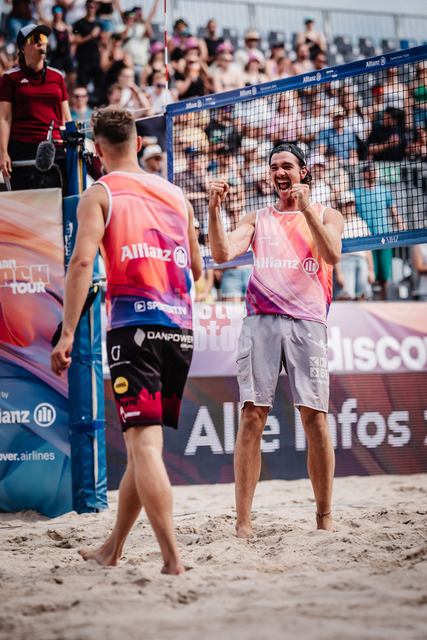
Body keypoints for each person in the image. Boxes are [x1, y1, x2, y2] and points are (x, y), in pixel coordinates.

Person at [51, 105, 203, 574]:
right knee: (144, 448)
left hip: (134, 330)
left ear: (97, 151)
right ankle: (112, 548)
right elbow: (198, 269)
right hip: (180, 330)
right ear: (138, 143)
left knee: (145, 447)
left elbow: (82, 263)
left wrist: (68, 332)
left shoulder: (99, 192)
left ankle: (172, 560)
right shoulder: (176, 194)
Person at [208, 142, 343, 537]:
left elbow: (332, 254)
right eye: (273, 167)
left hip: (307, 322)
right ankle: (243, 522)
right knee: (252, 416)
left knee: (314, 418)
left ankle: (324, 517)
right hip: (260, 322)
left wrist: (306, 210)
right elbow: (222, 253)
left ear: (303, 172)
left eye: (286, 166)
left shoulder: (327, 214)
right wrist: (214, 210)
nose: (279, 172)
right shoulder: (257, 217)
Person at [0, 23, 71, 190]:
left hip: (55, 146)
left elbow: (66, 117)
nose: (40, 42)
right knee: (27, 200)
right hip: (23, 146)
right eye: (34, 39)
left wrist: (70, 147)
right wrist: (3, 153)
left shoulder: (57, 76)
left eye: (43, 38)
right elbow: (4, 118)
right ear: (22, 48)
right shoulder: (10, 78)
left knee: (59, 198)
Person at [353, 163, 405, 300]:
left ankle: (384, 302)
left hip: (385, 237)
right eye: (369, 172)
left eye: (374, 172)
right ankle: (370, 302)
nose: (372, 174)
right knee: (369, 275)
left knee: (385, 275)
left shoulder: (384, 190)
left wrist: (400, 224)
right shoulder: (356, 192)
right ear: (364, 174)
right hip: (366, 239)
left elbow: (393, 209)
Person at [333, 191, 375, 301]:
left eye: (351, 204)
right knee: (345, 297)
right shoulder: (336, 224)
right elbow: (334, 249)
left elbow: (368, 248)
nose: (349, 207)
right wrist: (338, 273)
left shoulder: (361, 222)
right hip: (344, 262)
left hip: (362, 262)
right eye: (347, 204)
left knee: (363, 296)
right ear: (341, 206)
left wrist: (371, 270)